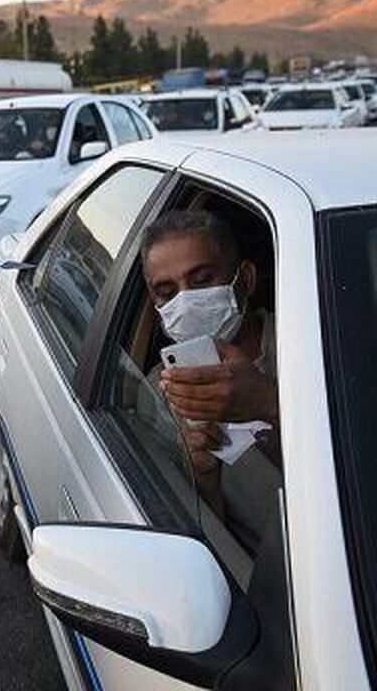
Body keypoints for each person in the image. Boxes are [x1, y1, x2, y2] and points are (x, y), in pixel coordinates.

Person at [140, 210, 279, 542]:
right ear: (155, 304)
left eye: (202, 280)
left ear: (244, 278)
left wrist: (271, 403)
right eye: (167, 291)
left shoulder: (312, 333)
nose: (185, 302)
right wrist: (203, 475)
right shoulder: (162, 391)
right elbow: (198, 545)